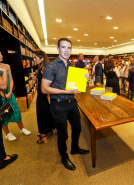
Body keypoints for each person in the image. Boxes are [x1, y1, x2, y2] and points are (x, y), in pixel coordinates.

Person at [42, 38, 89, 171]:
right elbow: (44, 88)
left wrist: (85, 79)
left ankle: (75, 148)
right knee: (63, 134)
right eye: (63, 47)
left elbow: (77, 87)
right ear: (58, 49)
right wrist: (65, 91)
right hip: (58, 105)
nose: (66, 50)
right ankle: (64, 157)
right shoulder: (51, 66)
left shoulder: (72, 67)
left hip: (72, 103)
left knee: (78, 128)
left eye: (69, 48)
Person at [0, 52, 31, 141]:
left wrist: (9, 93)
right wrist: (3, 95)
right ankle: (7, 133)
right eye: (0, 54)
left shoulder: (7, 66)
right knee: (3, 114)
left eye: (1, 54)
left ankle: (22, 128)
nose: (2, 56)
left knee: (16, 110)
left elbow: (11, 80)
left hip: (9, 93)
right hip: (1, 95)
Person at [33, 50, 55, 143]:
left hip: (43, 96)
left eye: (35, 58)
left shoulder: (44, 68)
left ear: (42, 58)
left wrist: (49, 97)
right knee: (47, 113)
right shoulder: (44, 68)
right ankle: (51, 130)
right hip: (44, 95)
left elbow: (49, 84)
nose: (34, 59)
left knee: (41, 115)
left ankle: (43, 137)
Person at [0, 63, 18, 170]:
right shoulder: (3, 68)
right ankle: (3, 158)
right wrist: (3, 72)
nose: (1, 55)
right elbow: (3, 85)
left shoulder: (7, 65)